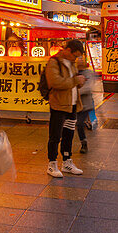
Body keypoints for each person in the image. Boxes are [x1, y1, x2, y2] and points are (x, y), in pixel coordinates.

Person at [45, 39, 86, 177]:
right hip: (59, 104)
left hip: (72, 104)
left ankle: (67, 161)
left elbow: (72, 80)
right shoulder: (54, 62)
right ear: (68, 50)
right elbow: (55, 82)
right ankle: (52, 164)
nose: (75, 59)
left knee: (68, 134)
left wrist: (80, 81)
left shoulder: (71, 63)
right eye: (75, 55)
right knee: (55, 135)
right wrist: (75, 80)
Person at [76, 54, 99, 153]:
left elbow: (88, 87)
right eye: (78, 59)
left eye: (81, 59)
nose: (80, 61)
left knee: (79, 123)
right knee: (74, 124)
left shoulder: (89, 73)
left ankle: (83, 143)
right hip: (74, 104)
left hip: (85, 105)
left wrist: (74, 91)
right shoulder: (73, 72)